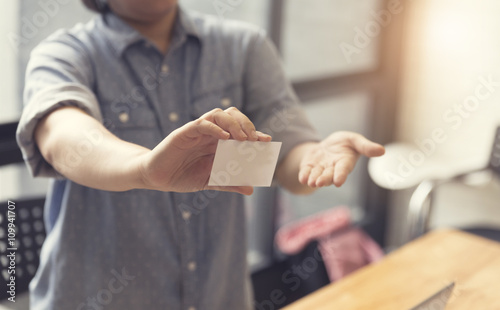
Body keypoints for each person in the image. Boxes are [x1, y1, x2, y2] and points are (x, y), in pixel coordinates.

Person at [16, 0, 385, 309]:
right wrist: (143, 169)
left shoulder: (243, 47)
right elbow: (60, 134)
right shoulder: (65, 53)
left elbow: (289, 157)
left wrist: (312, 160)